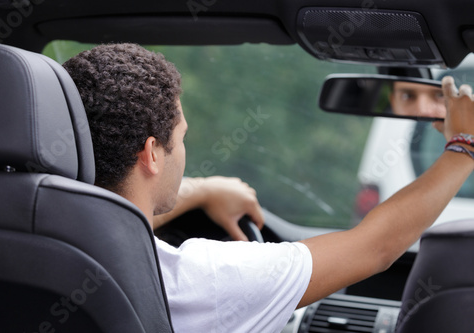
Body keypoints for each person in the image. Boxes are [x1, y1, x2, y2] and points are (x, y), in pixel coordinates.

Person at [63, 43, 474, 332]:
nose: (184, 151)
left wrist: (203, 189)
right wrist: (462, 146)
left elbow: (115, 214)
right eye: (182, 137)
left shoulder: (5, 233)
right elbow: (376, 247)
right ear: (152, 153)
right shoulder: (201, 279)